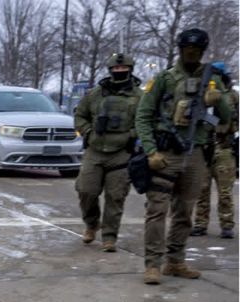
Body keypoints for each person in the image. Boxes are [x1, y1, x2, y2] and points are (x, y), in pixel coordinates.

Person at [133, 28, 233, 285]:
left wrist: (217, 98)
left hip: (197, 153)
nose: (191, 53)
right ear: (179, 49)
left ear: (202, 51)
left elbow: (227, 116)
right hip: (166, 153)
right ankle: (153, 264)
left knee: (185, 211)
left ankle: (175, 261)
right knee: (157, 210)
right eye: (187, 49)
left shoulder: (213, 79)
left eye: (197, 50)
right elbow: (143, 116)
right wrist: (151, 150)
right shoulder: (164, 78)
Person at [74, 52, 143, 252]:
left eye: (123, 69)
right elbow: (80, 115)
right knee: (86, 190)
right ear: (110, 70)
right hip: (95, 150)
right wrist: (87, 132)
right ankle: (91, 223)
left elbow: (146, 121)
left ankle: (109, 236)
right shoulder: (95, 94)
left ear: (130, 70)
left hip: (122, 153)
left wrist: (131, 134)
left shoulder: (139, 97)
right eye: (116, 68)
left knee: (116, 196)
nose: (119, 71)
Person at [191, 61, 238, 239]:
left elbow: (235, 119)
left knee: (225, 191)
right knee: (201, 190)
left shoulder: (232, 96)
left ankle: (227, 225)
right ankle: (200, 224)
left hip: (224, 147)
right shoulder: (199, 96)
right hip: (203, 147)